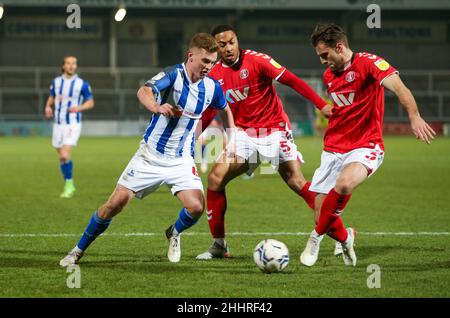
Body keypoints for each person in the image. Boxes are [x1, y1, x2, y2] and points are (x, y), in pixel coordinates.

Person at [59, 33, 235, 266]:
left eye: (213, 63)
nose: (209, 67)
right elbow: (144, 90)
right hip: (150, 156)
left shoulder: (212, 87)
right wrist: (157, 107)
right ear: (191, 55)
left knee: (196, 207)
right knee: (114, 205)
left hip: (181, 159)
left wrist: (232, 135)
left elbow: (224, 109)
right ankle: (77, 250)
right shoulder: (173, 75)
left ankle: (173, 232)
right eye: (205, 61)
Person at [300, 23, 436, 267]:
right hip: (333, 147)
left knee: (344, 185)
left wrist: (414, 116)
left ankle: (314, 239)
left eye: (325, 55)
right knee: (324, 217)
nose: (322, 61)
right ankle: (346, 238)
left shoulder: (370, 63)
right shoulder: (329, 75)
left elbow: (399, 87)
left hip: (366, 144)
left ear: (339, 47)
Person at [196, 25, 331, 260]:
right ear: (214, 47)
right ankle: (219, 245)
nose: (228, 48)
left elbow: (293, 81)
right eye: (222, 44)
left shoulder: (258, 61)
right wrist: (194, 133)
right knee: (216, 178)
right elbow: (210, 109)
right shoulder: (214, 74)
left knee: (296, 182)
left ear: (237, 41)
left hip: (274, 130)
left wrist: (321, 105)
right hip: (244, 135)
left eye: (231, 42)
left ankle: (340, 232)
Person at [44, 56, 94, 198]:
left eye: (74, 63)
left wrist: (79, 107)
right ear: (63, 66)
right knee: (62, 157)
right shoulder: (56, 82)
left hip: (72, 123)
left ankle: (69, 184)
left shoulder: (82, 84)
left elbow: (90, 102)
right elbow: (52, 96)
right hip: (58, 124)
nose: (71, 66)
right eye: (68, 63)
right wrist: (48, 106)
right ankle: (68, 182)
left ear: (76, 66)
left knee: (65, 154)